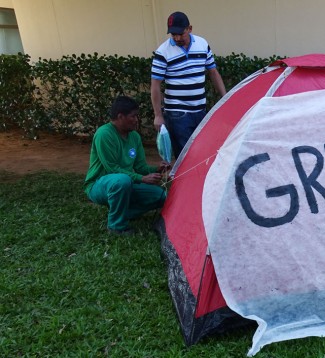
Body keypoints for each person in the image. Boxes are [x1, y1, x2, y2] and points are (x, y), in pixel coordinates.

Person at [84, 95, 169, 235]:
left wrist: (157, 169)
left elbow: (141, 167)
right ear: (120, 116)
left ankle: (124, 212)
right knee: (121, 181)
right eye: (133, 116)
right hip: (99, 184)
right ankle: (116, 226)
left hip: (127, 183)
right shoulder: (104, 134)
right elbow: (112, 169)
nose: (136, 120)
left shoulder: (134, 137)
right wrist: (142, 179)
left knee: (161, 196)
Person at [151, 11, 227, 158]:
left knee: (202, 153)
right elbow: (155, 85)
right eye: (173, 34)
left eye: (180, 33)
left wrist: (225, 98)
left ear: (189, 28)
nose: (177, 38)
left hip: (200, 111)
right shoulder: (163, 52)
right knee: (185, 157)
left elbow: (213, 73)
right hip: (177, 114)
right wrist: (158, 115)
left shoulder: (202, 44)